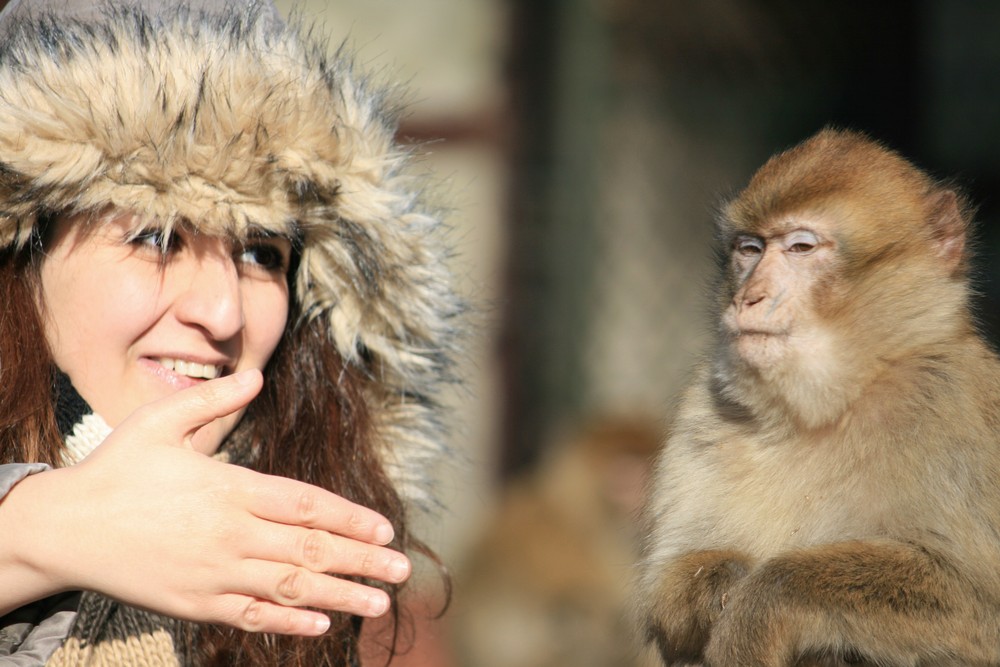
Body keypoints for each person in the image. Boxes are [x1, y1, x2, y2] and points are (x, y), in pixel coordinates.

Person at [0, 0, 462, 664]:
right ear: (21, 257)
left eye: (262, 254)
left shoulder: (314, 587)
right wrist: (37, 530)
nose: (223, 314)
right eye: (157, 237)